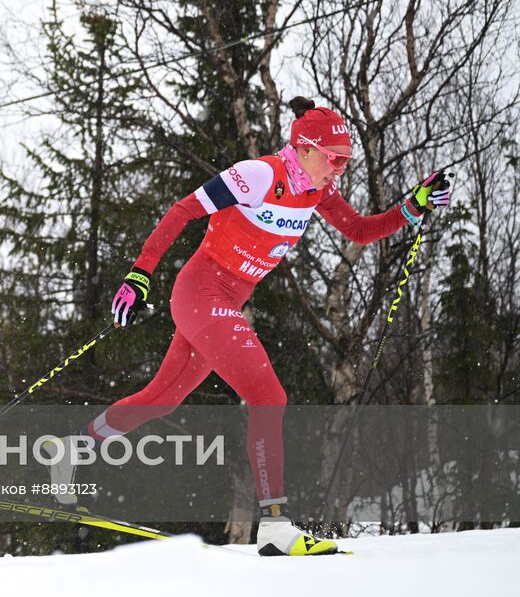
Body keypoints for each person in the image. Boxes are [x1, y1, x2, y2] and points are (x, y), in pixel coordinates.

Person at [57, 97, 450, 555]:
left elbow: (360, 231)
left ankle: (74, 448)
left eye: (345, 161)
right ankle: (276, 525)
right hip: (201, 292)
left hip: (224, 302)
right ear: (303, 148)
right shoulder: (261, 174)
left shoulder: (317, 190)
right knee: (269, 396)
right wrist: (140, 273)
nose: (339, 169)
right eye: (333, 158)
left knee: (161, 400)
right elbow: (183, 210)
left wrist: (413, 207)